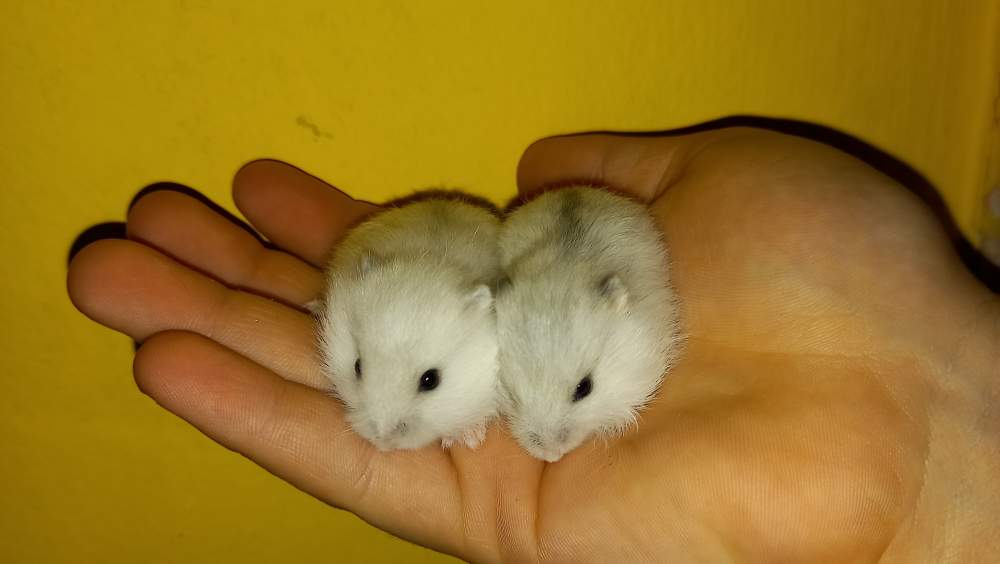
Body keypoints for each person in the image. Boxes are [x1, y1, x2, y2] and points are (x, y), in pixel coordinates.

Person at [67, 128, 1000, 562]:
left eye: (428, 382)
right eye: (352, 370)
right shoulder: (397, 307)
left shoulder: (617, 317)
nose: (380, 426)